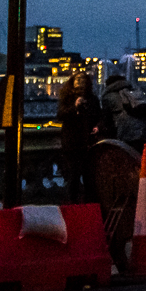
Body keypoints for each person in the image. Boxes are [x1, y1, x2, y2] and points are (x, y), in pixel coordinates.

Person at [56, 70, 103, 204]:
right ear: (73, 82)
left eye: (83, 80)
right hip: (72, 143)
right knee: (74, 176)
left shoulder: (92, 99)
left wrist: (97, 126)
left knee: (90, 177)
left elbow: (99, 116)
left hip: (88, 142)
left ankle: (88, 206)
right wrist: (75, 107)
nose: (80, 83)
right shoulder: (67, 98)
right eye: (77, 80)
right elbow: (60, 115)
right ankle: (73, 205)